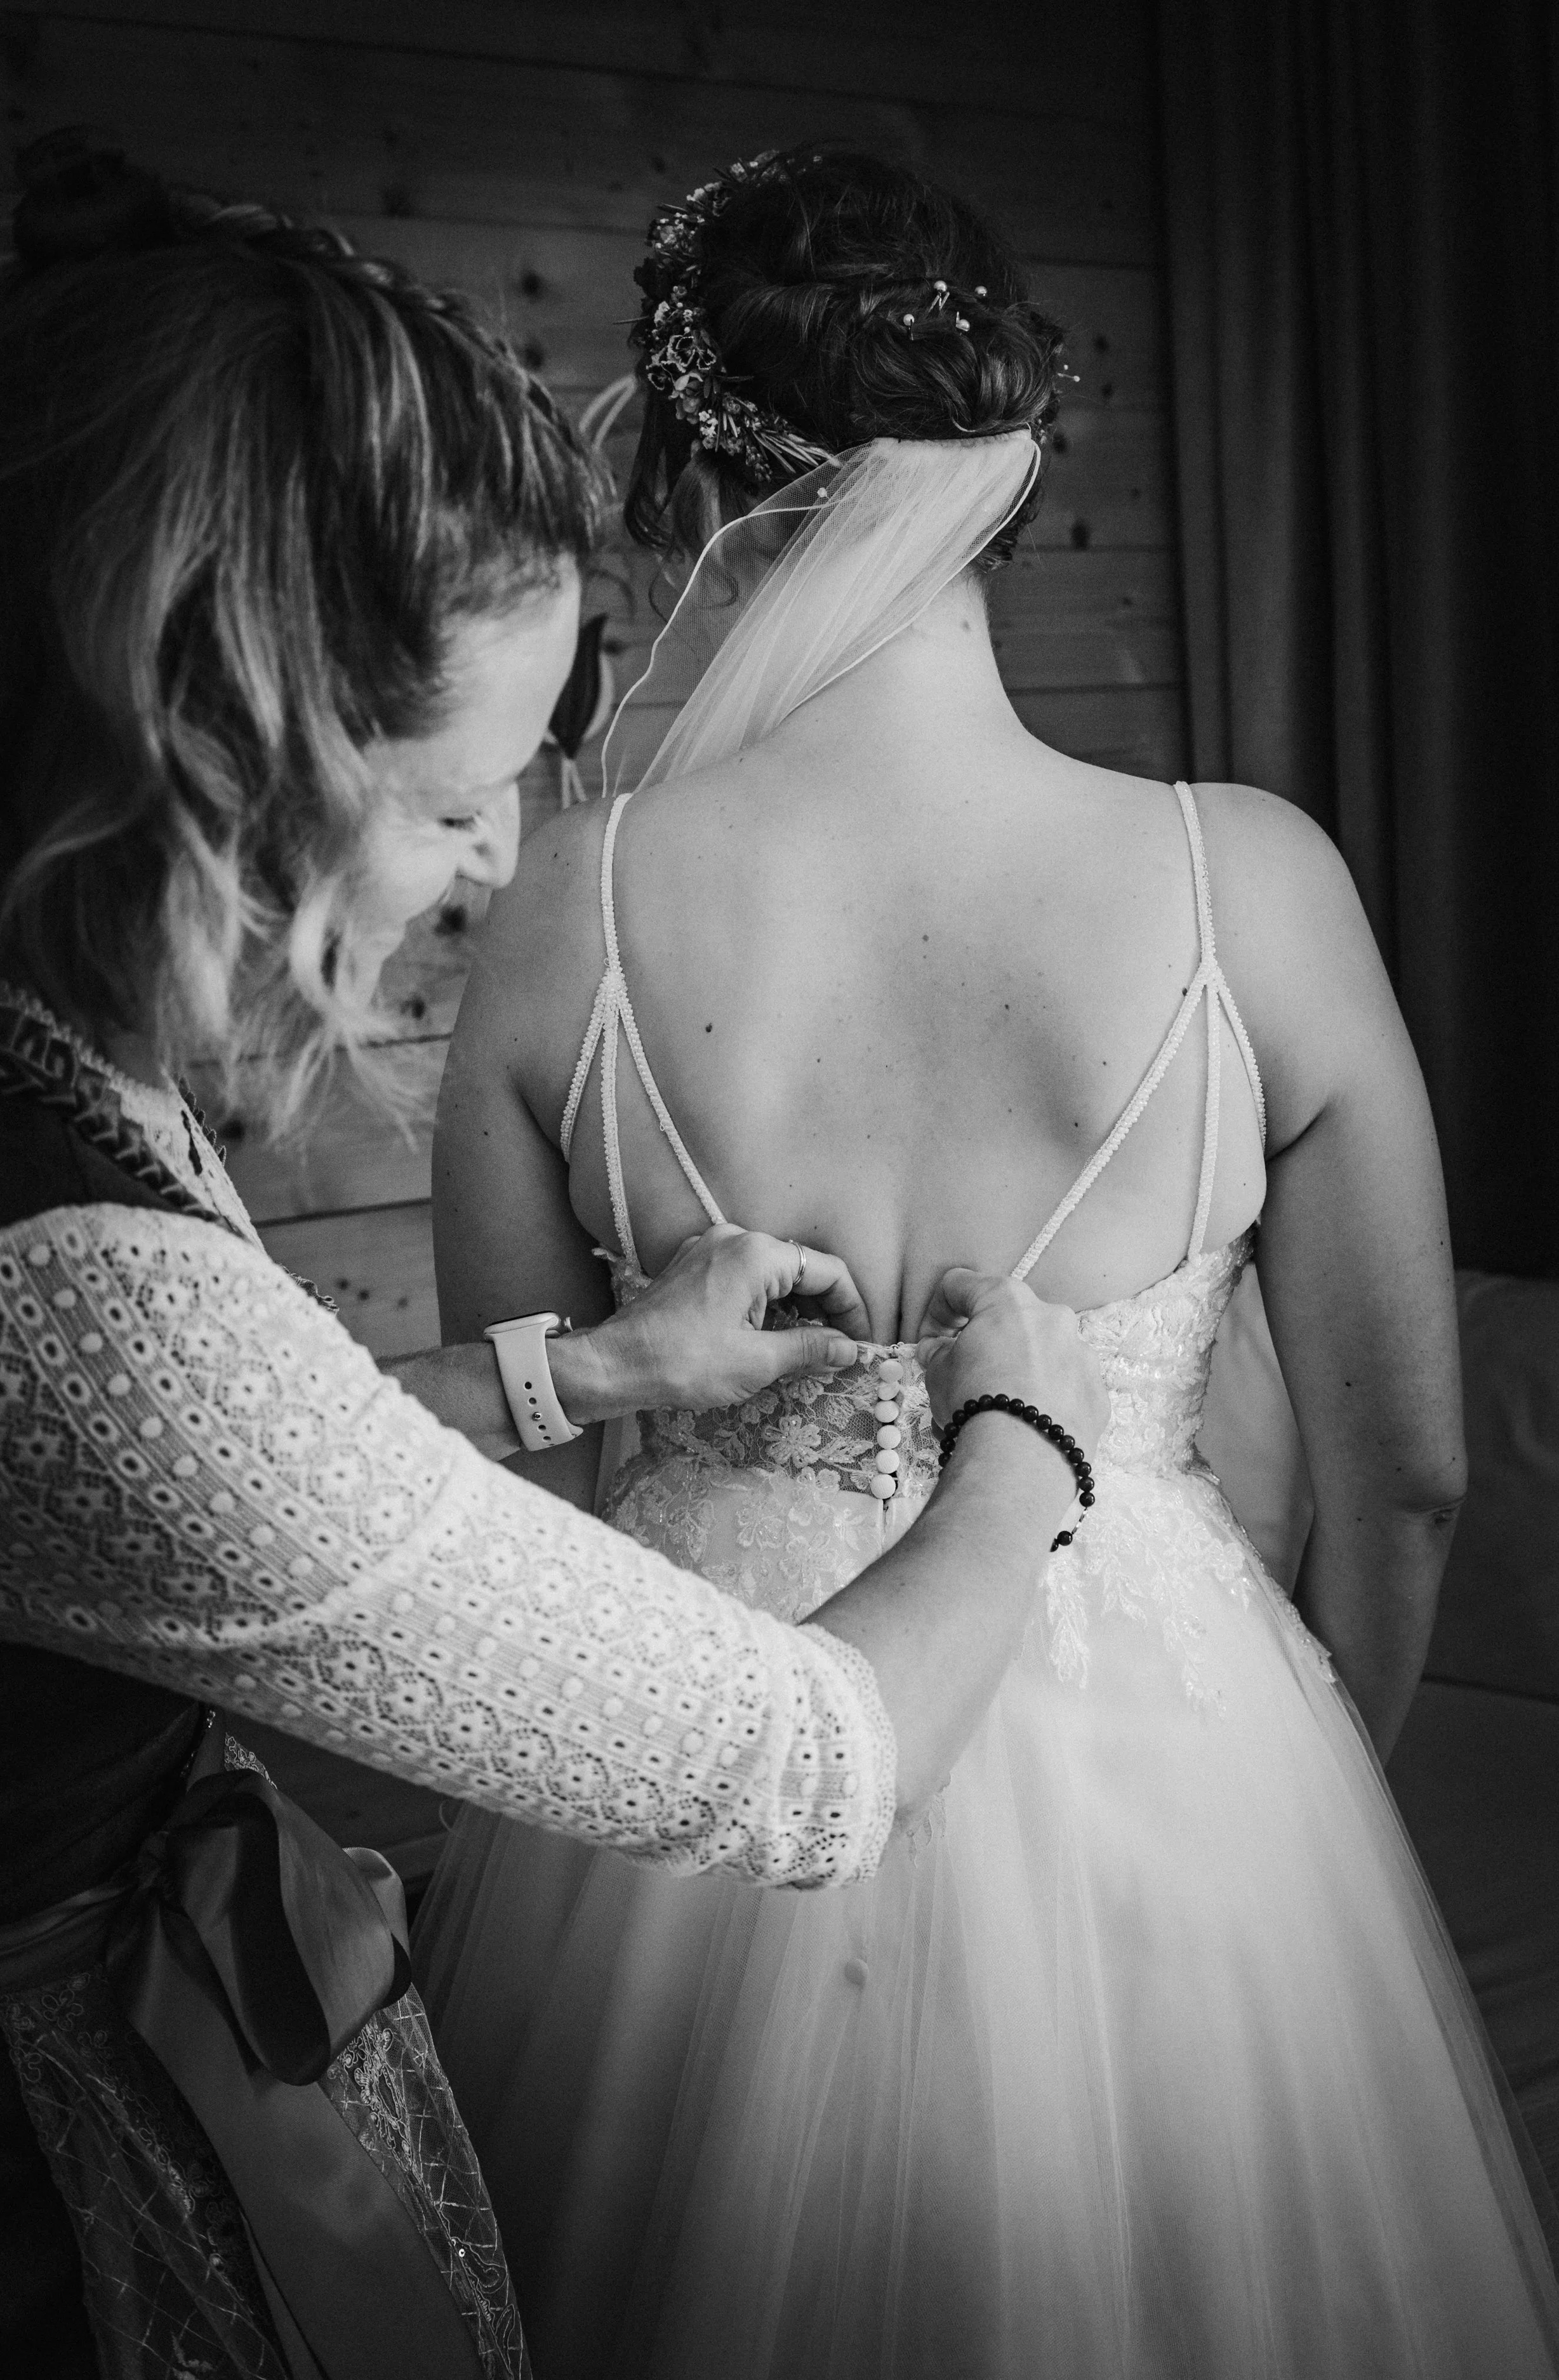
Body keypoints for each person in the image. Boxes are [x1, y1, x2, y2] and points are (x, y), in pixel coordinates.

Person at [416, 148, 1559, 2377]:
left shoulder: (574, 905)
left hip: (715, 1768)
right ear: (1007, 469)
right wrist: (1304, 1795)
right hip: (1174, 1761)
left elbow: (530, 1468)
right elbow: (1408, 1471)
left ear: (690, 489)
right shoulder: (1249, 884)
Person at [0, 138, 1108, 2380]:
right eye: (448, 794)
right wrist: (1025, 1447)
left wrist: (580, 1372)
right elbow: (807, 1765)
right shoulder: (59, 1282)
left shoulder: (44, 1047)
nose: (505, 858)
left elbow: (162, 1494)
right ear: (209, 742)